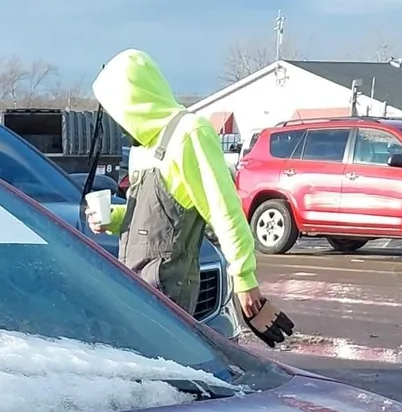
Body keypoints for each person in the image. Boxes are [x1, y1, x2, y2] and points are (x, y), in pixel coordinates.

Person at [90, 49, 292, 346]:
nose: (116, 120)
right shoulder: (142, 149)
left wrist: (245, 280)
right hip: (135, 292)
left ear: (132, 100)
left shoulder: (189, 134)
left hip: (168, 297)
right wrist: (116, 218)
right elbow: (162, 214)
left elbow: (224, 210)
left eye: (115, 108)